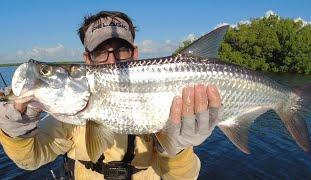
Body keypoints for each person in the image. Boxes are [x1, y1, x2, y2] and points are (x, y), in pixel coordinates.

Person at [0, 11, 222, 180]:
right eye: (100, 52)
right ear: (87, 59)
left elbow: (183, 177)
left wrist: (178, 148)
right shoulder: (67, 118)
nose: (112, 60)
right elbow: (30, 159)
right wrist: (16, 130)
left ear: (134, 53)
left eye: (121, 50)